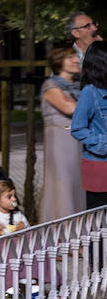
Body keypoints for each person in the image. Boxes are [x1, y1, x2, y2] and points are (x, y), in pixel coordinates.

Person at [39, 47, 84, 221]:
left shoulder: (78, 86)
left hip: (78, 140)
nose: (76, 60)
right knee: (62, 183)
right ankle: (63, 228)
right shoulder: (51, 85)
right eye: (70, 57)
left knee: (77, 183)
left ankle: (80, 228)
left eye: (75, 56)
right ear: (59, 62)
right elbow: (69, 108)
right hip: (61, 141)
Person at [70, 41, 107, 209]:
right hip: (99, 166)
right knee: (99, 220)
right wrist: (102, 143)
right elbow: (77, 129)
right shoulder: (90, 93)